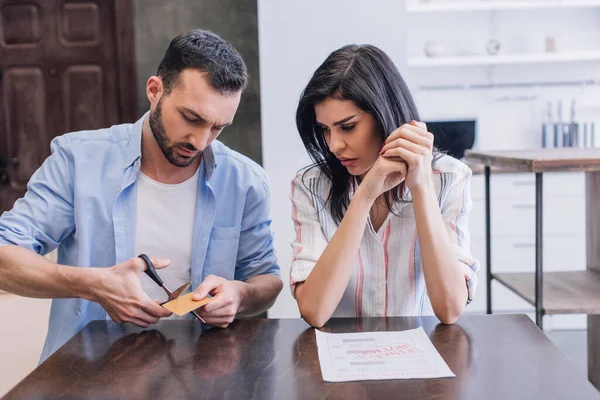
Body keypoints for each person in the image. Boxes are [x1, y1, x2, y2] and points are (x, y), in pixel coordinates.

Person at [0, 29, 282, 362]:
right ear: (155, 91)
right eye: (191, 118)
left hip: (202, 376)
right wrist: (93, 284)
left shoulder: (244, 180)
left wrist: (240, 294)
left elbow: (267, 279)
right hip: (86, 376)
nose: (201, 140)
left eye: (218, 127)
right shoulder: (78, 161)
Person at [290, 44, 479, 327]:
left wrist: (422, 186)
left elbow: (450, 308)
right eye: (325, 130)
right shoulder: (311, 186)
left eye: (348, 126)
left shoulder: (449, 177)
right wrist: (365, 195)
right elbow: (315, 312)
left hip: (419, 355)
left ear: (384, 115)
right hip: (338, 357)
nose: (334, 146)